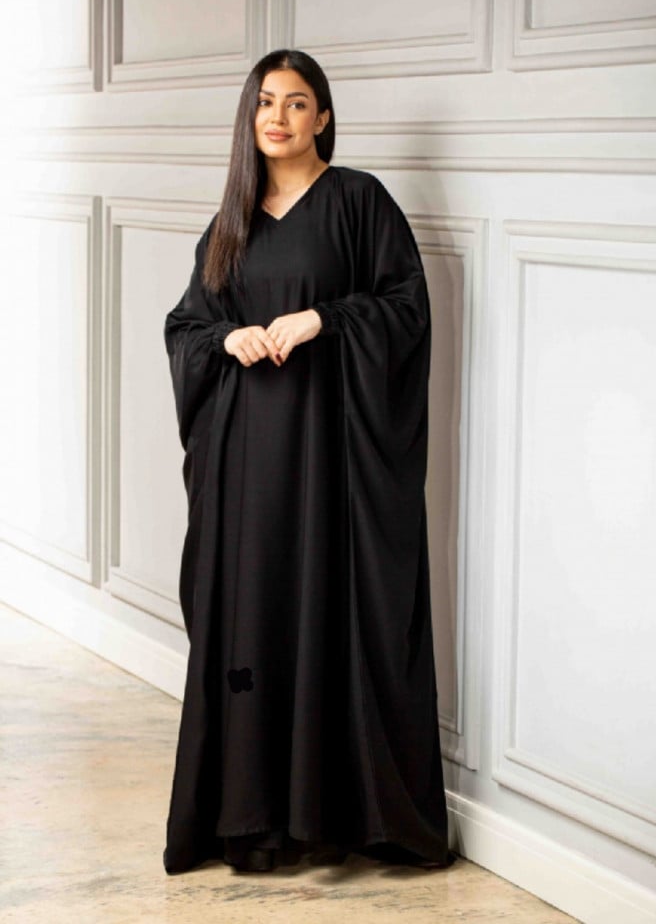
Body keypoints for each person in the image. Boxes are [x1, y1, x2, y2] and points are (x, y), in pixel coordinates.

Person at [163, 48, 449, 875]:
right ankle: (254, 818)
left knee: (332, 610)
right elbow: (187, 326)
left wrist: (327, 319)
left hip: (334, 463)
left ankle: (339, 816)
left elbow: (406, 308)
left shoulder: (358, 200)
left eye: (295, 102)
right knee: (253, 617)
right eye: (265, 102)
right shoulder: (232, 219)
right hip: (249, 462)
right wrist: (228, 338)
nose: (277, 117)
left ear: (322, 116)